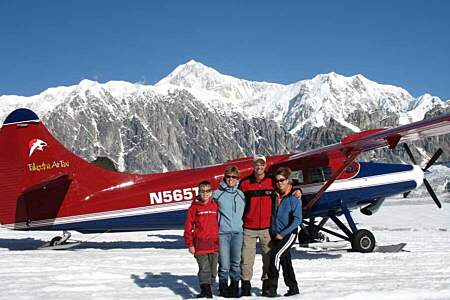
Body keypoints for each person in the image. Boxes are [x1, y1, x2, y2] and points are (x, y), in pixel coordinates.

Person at [238, 155, 274, 296]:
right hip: (249, 228)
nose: (259, 167)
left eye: (262, 164)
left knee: (268, 258)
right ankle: (246, 286)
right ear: (253, 166)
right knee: (246, 259)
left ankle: (266, 285)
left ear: (265, 166)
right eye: (256, 165)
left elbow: (285, 190)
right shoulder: (245, 183)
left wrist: (298, 191)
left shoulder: (272, 181)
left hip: (267, 228)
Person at [266, 167, 301, 297]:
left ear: (288, 180)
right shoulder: (275, 195)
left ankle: (272, 288)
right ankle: (293, 288)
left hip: (288, 234)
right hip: (276, 233)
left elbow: (297, 220)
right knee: (286, 261)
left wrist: (283, 233)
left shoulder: (294, 198)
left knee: (275, 256)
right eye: (277, 181)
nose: (279, 183)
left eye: (282, 180)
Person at [213, 165, 245, 298]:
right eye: (228, 177)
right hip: (223, 233)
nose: (231, 179)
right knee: (224, 263)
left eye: (234, 177)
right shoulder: (217, 194)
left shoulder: (241, 194)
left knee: (236, 263)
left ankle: (234, 287)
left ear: (238, 179)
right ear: (224, 177)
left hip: (238, 233)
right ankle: (223, 287)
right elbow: (205, 203)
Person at [184, 181, 219, 298]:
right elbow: (188, 227)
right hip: (200, 244)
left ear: (211, 192)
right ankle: (206, 291)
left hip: (214, 244)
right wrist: (190, 244)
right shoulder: (194, 207)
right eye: (202, 191)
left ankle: (208, 287)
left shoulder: (215, 205)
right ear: (199, 192)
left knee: (213, 270)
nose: (205, 194)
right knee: (204, 268)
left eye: (207, 191)